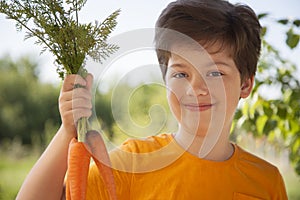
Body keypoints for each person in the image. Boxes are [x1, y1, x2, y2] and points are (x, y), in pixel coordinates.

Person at [17, 0, 288, 199]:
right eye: (181, 73)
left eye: (215, 72)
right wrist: (67, 130)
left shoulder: (267, 180)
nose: (196, 87)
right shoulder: (130, 163)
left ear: (246, 83)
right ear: (165, 80)